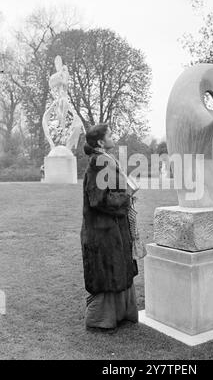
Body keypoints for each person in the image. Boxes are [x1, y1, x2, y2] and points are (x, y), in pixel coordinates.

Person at [80, 123, 139, 334]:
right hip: (102, 231)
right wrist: (127, 196)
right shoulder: (98, 163)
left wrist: (125, 191)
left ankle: (121, 314)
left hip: (113, 229)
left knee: (119, 269)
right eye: (110, 134)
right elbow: (99, 200)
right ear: (100, 142)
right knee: (108, 272)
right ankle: (101, 318)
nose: (114, 136)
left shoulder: (105, 160)